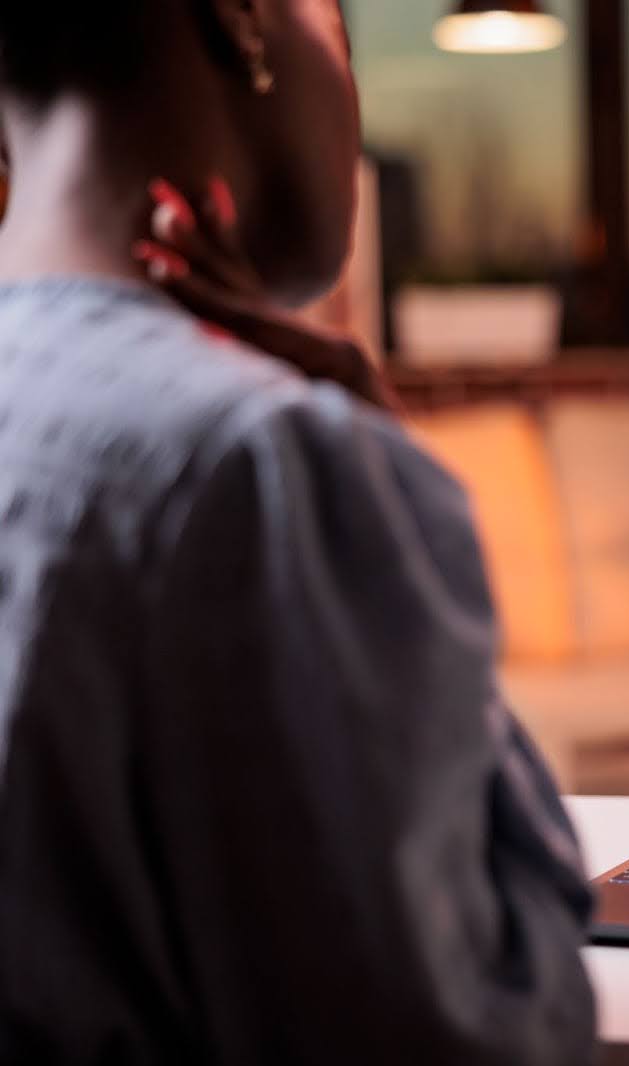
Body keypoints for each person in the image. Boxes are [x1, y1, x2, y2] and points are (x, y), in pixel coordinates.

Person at [0, 3, 593, 1063]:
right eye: (347, 38)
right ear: (242, 20)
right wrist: (358, 448)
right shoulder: (271, 468)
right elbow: (498, 1028)